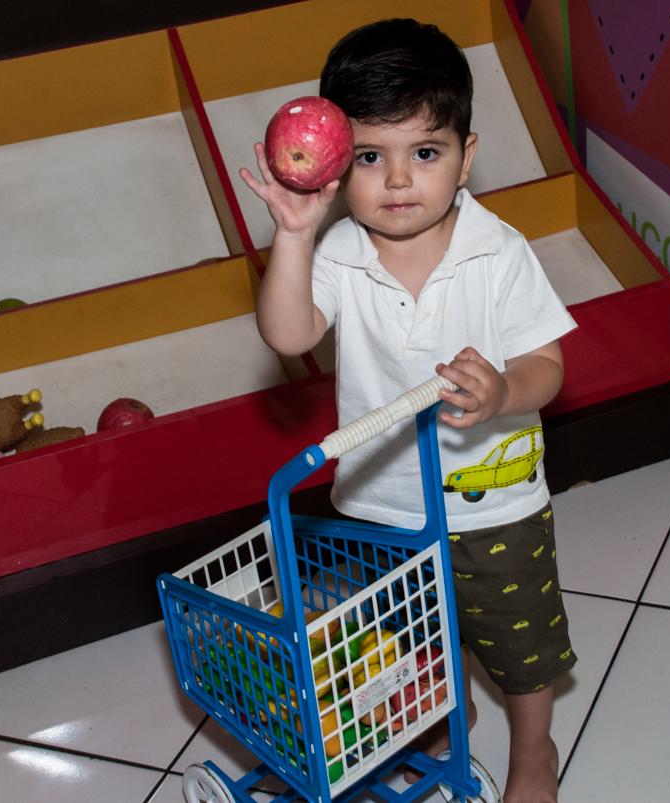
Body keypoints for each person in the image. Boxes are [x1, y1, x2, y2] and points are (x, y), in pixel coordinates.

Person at [239, 18, 576, 803]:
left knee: (520, 646)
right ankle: (424, 718)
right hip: (379, 505)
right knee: (406, 639)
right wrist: (293, 236)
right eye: (368, 157)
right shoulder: (339, 254)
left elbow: (547, 366)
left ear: (466, 156)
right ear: (332, 167)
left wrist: (502, 390)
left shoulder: (499, 251)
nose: (397, 181)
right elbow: (289, 333)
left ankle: (535, 743)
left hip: (496, 503)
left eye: (424, 153)